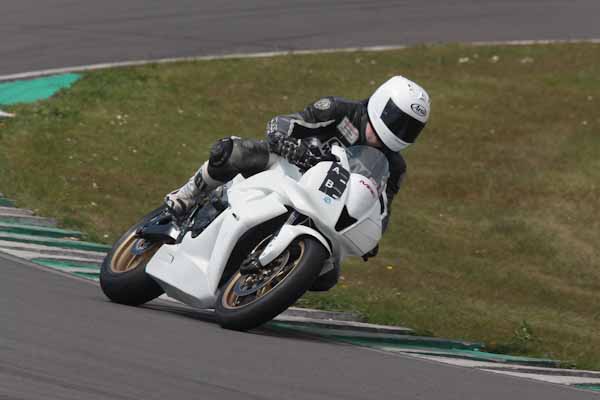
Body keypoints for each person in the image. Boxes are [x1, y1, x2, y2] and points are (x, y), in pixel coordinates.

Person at [164, 75, 430, 280]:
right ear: (381, 104)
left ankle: (268, 282)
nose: (400, 131)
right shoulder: (339, 110)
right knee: (232, 152)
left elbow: (382, 210)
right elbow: (284, 122)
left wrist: (372, 237)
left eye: (410, 128)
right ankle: (187, 196)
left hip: (325, 207)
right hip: (288, 168)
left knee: (327, 276)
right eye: (397, 121)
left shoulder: (394, 167)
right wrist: (285, 142)